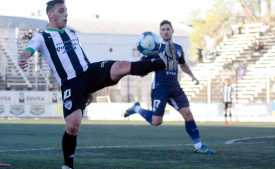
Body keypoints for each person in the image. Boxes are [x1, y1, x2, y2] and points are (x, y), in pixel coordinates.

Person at [18, 1, 166, 169]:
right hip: (71, 83)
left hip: (88, 71)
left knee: (120, 67)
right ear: (51, 15)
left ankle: (161, 63)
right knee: (73, 126)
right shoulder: (42, 37)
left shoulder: (71, 32)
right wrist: (23, 57)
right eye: (61, 11)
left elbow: (80, 56)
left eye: (66, 10)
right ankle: (68, 165)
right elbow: (29, 49)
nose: (66, 14)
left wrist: (90, 87)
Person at [124, 20, 214, 154]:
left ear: (172, 31)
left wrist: (192, 76)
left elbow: (183, 65)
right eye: (163, 29)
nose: (165, 31)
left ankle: (199, 146)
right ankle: (137, 108)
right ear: (160, 33)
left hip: (175, 87)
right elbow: (142, 65)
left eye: (168, 29)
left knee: (188, 114)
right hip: (160, 88)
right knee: (156, 122)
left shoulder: (178, 48)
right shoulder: (154, 49)